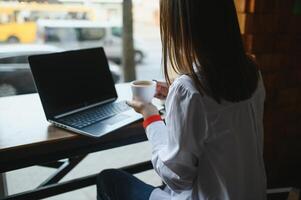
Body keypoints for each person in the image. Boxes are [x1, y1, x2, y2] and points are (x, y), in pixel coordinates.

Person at [96, 0, 267, 199]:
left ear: (181, 27)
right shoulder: (251, 72)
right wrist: (174, 97)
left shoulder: (188, 89)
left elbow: (176, 178)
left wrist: (149, 115)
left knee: (109, 180)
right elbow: (217, 113)